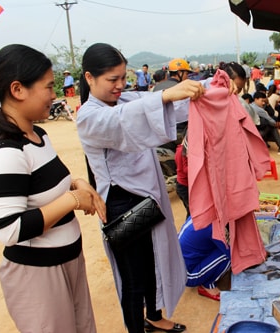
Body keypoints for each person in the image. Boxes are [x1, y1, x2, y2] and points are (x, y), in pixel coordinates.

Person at [76, 43, 206, 333]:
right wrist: (164, 95)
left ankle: (154, 317)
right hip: (122, 207)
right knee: (133, 279)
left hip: (146, 197)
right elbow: (126, 120)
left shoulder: (124, 101)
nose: (120, 85)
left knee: (153, 263)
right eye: (113, 79)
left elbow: (169, 106)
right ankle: (136, 327)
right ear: (89, 78)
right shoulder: (89, 116)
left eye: (124, 77)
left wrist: (211, 87)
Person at [0, 44, 106, 332]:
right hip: (38, 274)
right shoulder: (5, 152)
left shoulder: (38, 135)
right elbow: (9, 230)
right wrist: (73, 199)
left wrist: (78, 183)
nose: (54, 94)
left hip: (67, 260)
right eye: (48, 87)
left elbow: (48, 184)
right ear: (17, 90)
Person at [178, 217, 231, 302]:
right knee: (228, 256)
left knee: (220, 247)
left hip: (178, 264)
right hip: (187, 276)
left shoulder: (201, 214)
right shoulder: (214, 226)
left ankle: (204, 275)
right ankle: (208, 285)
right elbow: (231, 253)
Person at [175, 131, 190, 218]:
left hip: (184, 185)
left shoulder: (183, 150)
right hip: (184, 187)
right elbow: (185, 170)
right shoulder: (181, 151)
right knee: (192, 212)